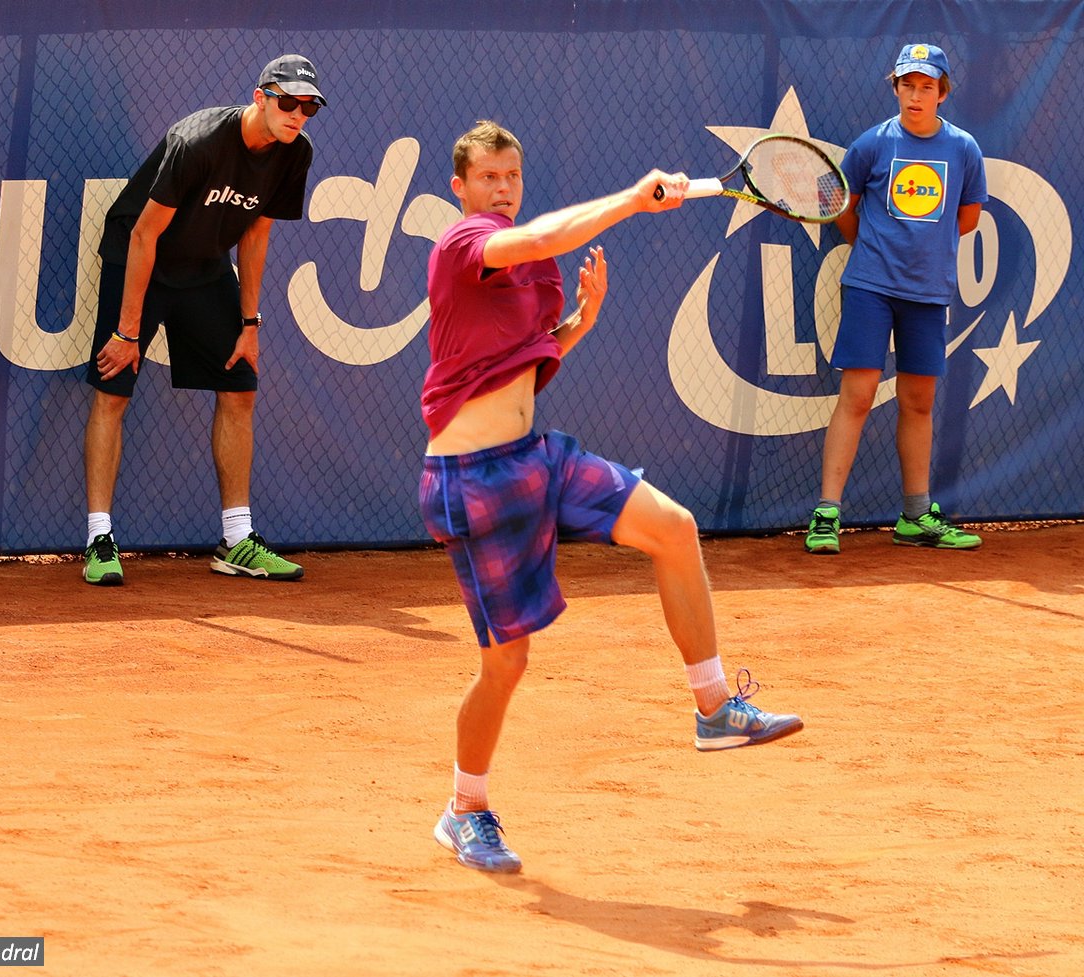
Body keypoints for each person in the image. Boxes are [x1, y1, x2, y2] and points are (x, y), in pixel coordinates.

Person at [419, 120, 803, 874]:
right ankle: (465, 809)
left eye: (512, 177)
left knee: (675, 527)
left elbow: (521, 362)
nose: (501, 189)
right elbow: (532, 242)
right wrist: (631, 200)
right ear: (460, 188)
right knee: (507, 665)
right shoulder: (460, 247)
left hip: (538, 458)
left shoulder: (539, 274)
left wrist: (577, 326)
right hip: (473, 480)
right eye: (488, 178)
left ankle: (715, 706)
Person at [81, 55, 325, 585]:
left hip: (205, 266)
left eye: (309, 107)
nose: (298, 115)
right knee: (113, 388)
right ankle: (99, 538)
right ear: (260, 97)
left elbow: (256, 234)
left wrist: (250, 321)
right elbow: (144, 236)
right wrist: (127, 332)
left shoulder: (293, 153)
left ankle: (236, 540)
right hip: (141, 255)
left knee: (240, 387)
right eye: (289, 102)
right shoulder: (199, 142)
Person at [805, 43, 987, 555]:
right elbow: (835, 200)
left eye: (926, 86)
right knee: (858, 395)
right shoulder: (871, 144)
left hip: (928, 293)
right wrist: (865, 243)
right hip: (870, 287)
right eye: (907, 84)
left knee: (918, 401)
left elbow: (968, 217)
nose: (915, 94)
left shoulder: (964, 149)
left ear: (942, 93)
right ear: (896, 88)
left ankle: (914, 516)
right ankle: (826, 515)